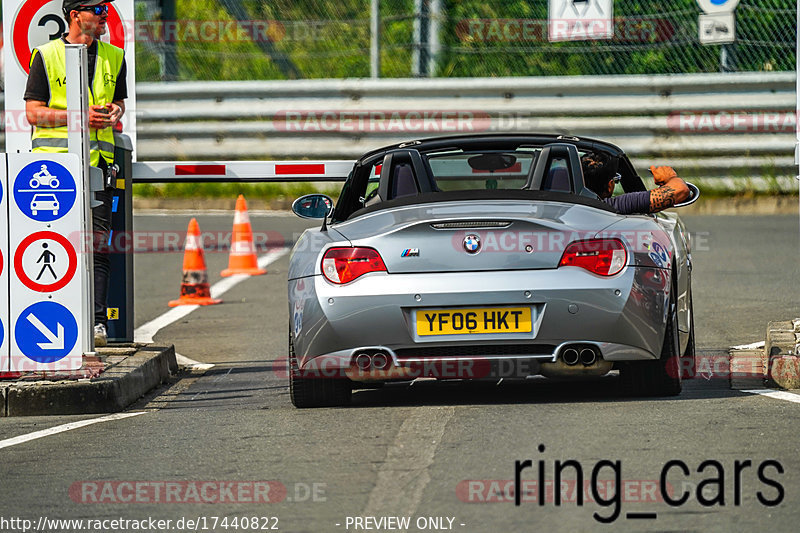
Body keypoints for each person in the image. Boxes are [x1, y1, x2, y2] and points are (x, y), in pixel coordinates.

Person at [24, 0, 127, 347]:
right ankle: (51, 323)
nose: (104, 16)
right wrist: (78, 118)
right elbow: (34, 114)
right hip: (52, 171)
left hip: (99, 167)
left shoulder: (114, 56)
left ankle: (97, 324)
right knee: (56, 243)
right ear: (75, 15)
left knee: (98, 246)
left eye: (106, 10)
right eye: (97, 10)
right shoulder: (47, 55)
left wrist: (115, 110)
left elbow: (119, 102)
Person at [580, 152, 690, 214]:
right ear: (609, 186)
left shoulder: (564, 204)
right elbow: (681, 190)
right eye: (615, 179)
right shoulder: (614, 206)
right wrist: (670, 177)